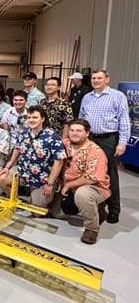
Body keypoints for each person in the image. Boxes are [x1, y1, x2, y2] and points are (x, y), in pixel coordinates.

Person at [79, 69, 130, 224]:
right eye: (94, 78)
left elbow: (124, 120)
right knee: (90, 173)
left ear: (107, 79)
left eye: (99, 78)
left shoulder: (117, 96)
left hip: (108, 139)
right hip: (90, 139)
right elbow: (82, 119)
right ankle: (97, 207)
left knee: (109, 174)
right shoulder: (87, 97)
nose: (96, 80)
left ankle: (114, 210)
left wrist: (122, 142)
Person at [0, 106, 66, 210]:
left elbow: (59, 162)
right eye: (29, 117)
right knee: (1, 179)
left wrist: (50, 183)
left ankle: (53, 198)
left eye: (35, 117)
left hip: (43, 178)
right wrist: (7, 167)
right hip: (23, 172)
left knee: (36, 211)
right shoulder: (23, 133)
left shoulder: (53, 137)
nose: (31, 120)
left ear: (42, 119)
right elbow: (17, 150)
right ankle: (16, 198)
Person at [61, 119, 110, 244]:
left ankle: (92, 229)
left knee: (82, 195)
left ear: (87, 133)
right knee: (67, 210)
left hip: (93, 187)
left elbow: (92, 177)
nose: (74, 133)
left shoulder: (96, 151)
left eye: (79, 131)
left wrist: (68, 185)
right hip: (67, 185)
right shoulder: (65, 143)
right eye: (72, 130)